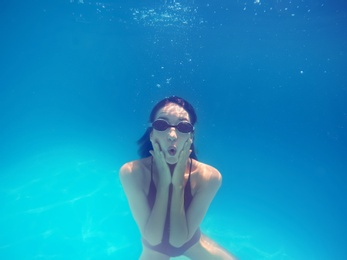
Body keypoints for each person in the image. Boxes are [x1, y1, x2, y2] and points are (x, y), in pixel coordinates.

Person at [119, 96, 237, 259]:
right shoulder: (132, 172)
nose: (172, 135)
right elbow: (152, 238)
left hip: (192, 244)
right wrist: (164, 185)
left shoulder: (209, 177)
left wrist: (177, 185)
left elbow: (179, 240)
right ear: (152, 133)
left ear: (191, 137)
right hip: (153, 252)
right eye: (161, 124)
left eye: (183, 126)